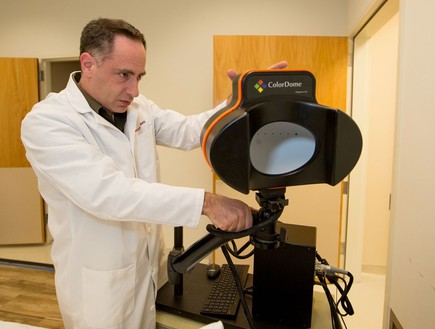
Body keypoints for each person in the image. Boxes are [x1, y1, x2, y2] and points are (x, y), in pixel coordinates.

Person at [21, 18, 287, 329]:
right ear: (88, 63)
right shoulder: (48, 122)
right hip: (99, 286)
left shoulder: (138, 107)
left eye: (139, 77)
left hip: (148, 269)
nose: (134, 90)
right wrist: (208, 202)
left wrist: (237, 102)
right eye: (124, 75)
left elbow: (189, 131)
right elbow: (109, 194)